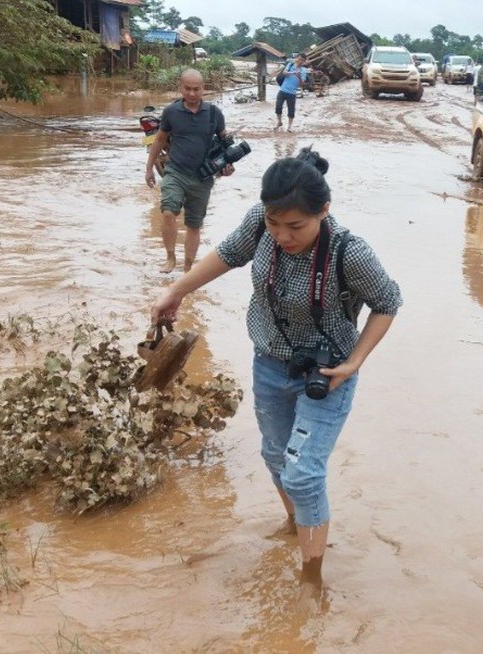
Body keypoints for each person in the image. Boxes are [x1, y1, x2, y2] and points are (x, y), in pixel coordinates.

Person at [151, 147, 402, 611]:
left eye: (296, 227)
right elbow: (225, 255)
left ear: (323, 212)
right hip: (269, 364)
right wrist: (175, 290)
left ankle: (312, 578)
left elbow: (388, 302)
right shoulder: (260, 226)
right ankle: (297, 525)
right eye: (273, 224)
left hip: (327, 375)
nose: (282, 236)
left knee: (303, 472)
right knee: (274, 455)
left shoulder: (350, 251)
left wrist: (355, 362)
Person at [144, 68, 233, 274]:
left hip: (202, 176)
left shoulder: (214, 113)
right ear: (180, 88)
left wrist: (227, 165)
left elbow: (224, 142)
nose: (192, 94)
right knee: (168, 212)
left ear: (204, 89)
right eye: (187, 89)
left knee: (194, 224)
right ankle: (170, 257)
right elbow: (159, 139)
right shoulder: (171, 112)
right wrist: (149, 168)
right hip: (175, 171)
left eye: (196, 89)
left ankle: (188, 268)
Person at [275, 53, 309, 132]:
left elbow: (302, 84)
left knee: (291, 110)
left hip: (292, 93)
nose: (300, 61)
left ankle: (289, 126)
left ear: (304, 62)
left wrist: (299, 76)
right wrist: (293, 73)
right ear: (297, 58)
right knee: (278, 107)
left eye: (302, 60)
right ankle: (279, 122)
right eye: (299, 59)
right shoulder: (290, 64)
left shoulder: (303, 70)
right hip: (282, 90)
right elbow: (284, 72)